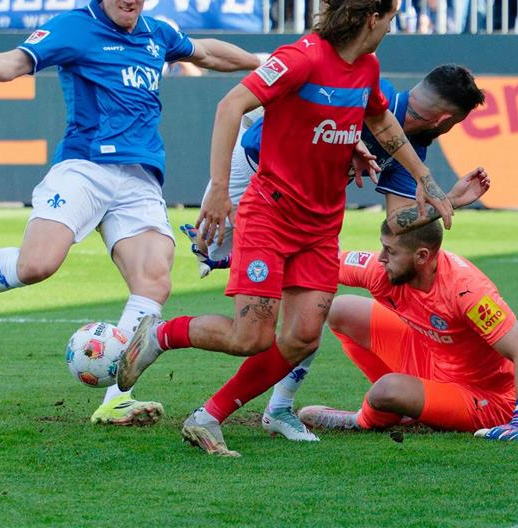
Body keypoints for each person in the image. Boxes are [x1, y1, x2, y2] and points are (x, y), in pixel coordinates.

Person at [0, 0, 261, 427]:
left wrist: (265, 65)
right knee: (36, 266)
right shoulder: (75, 27)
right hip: (85, 167)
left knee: (154, 279)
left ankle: (116, 397)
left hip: (139, 179)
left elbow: (205, 53)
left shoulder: (157, 32)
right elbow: (11, 65)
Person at [114, 0, 456, 457]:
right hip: (270, 216)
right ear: (369, 17)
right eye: (390, 17)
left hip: (320, 227)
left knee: (300, 337)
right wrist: (217, 191)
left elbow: (379, 119)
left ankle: (208, 417)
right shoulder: (301, 57)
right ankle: (160, 336)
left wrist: (423, 178)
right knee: (250, 336)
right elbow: (231, 105)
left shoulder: (368, 68)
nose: (391, 27)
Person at [182, 62, 489, 441]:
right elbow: (254, 142)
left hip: (308, 209)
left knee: (314, 304)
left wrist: (450, 201)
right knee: (252, 333)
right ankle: (162, 335)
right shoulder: (370, 96)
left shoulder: (413, 146)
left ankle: (277, 408)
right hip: (256, 179)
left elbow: (396, 224)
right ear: (445, 118)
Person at [295, 220, 518, 442]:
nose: (381, 258)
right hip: (431, 357)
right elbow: (325, 264)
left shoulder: (468, 291)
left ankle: (362, 420)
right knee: (340, 309)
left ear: (422, 257)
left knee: (386, 390)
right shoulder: (383, 269)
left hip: (481, 395)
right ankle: (401, 409)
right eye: (383, 247)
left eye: (390, 252)